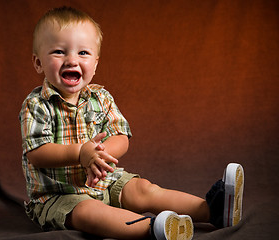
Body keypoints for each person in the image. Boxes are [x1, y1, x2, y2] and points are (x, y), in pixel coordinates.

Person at [19, 6, 244, 240]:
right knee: (89, 212)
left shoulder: (101, 98)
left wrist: (99, 155)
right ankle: (152, 229)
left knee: (144, 189)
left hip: (104, 181)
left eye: (83, 53)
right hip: (58, 196)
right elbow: (37, 152)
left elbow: (121, 136)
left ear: (95, 64)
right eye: (58, 52)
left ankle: (213, 211)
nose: (72, 60)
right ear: (38, 63)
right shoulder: (36, 105)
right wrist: (80, 153)